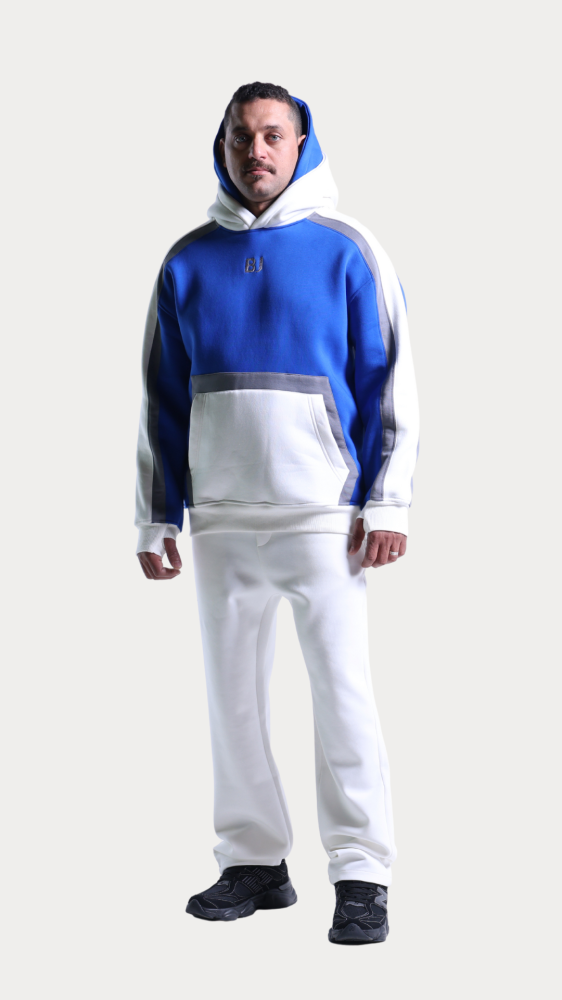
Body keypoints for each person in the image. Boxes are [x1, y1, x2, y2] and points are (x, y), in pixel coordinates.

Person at [135, 82, 419, 945]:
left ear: (300, 145)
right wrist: (157, 516)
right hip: (221, 517)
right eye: (240, 137)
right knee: (232, 700)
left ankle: (362, 871)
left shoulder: (348, 249)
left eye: (271, 135)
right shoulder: (185, 261)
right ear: (221, 146)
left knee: (342, 694)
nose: (255, 151)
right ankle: (254, 862)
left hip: (323, 517)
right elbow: (160, 398)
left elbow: (390, 380)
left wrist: (388, 500)